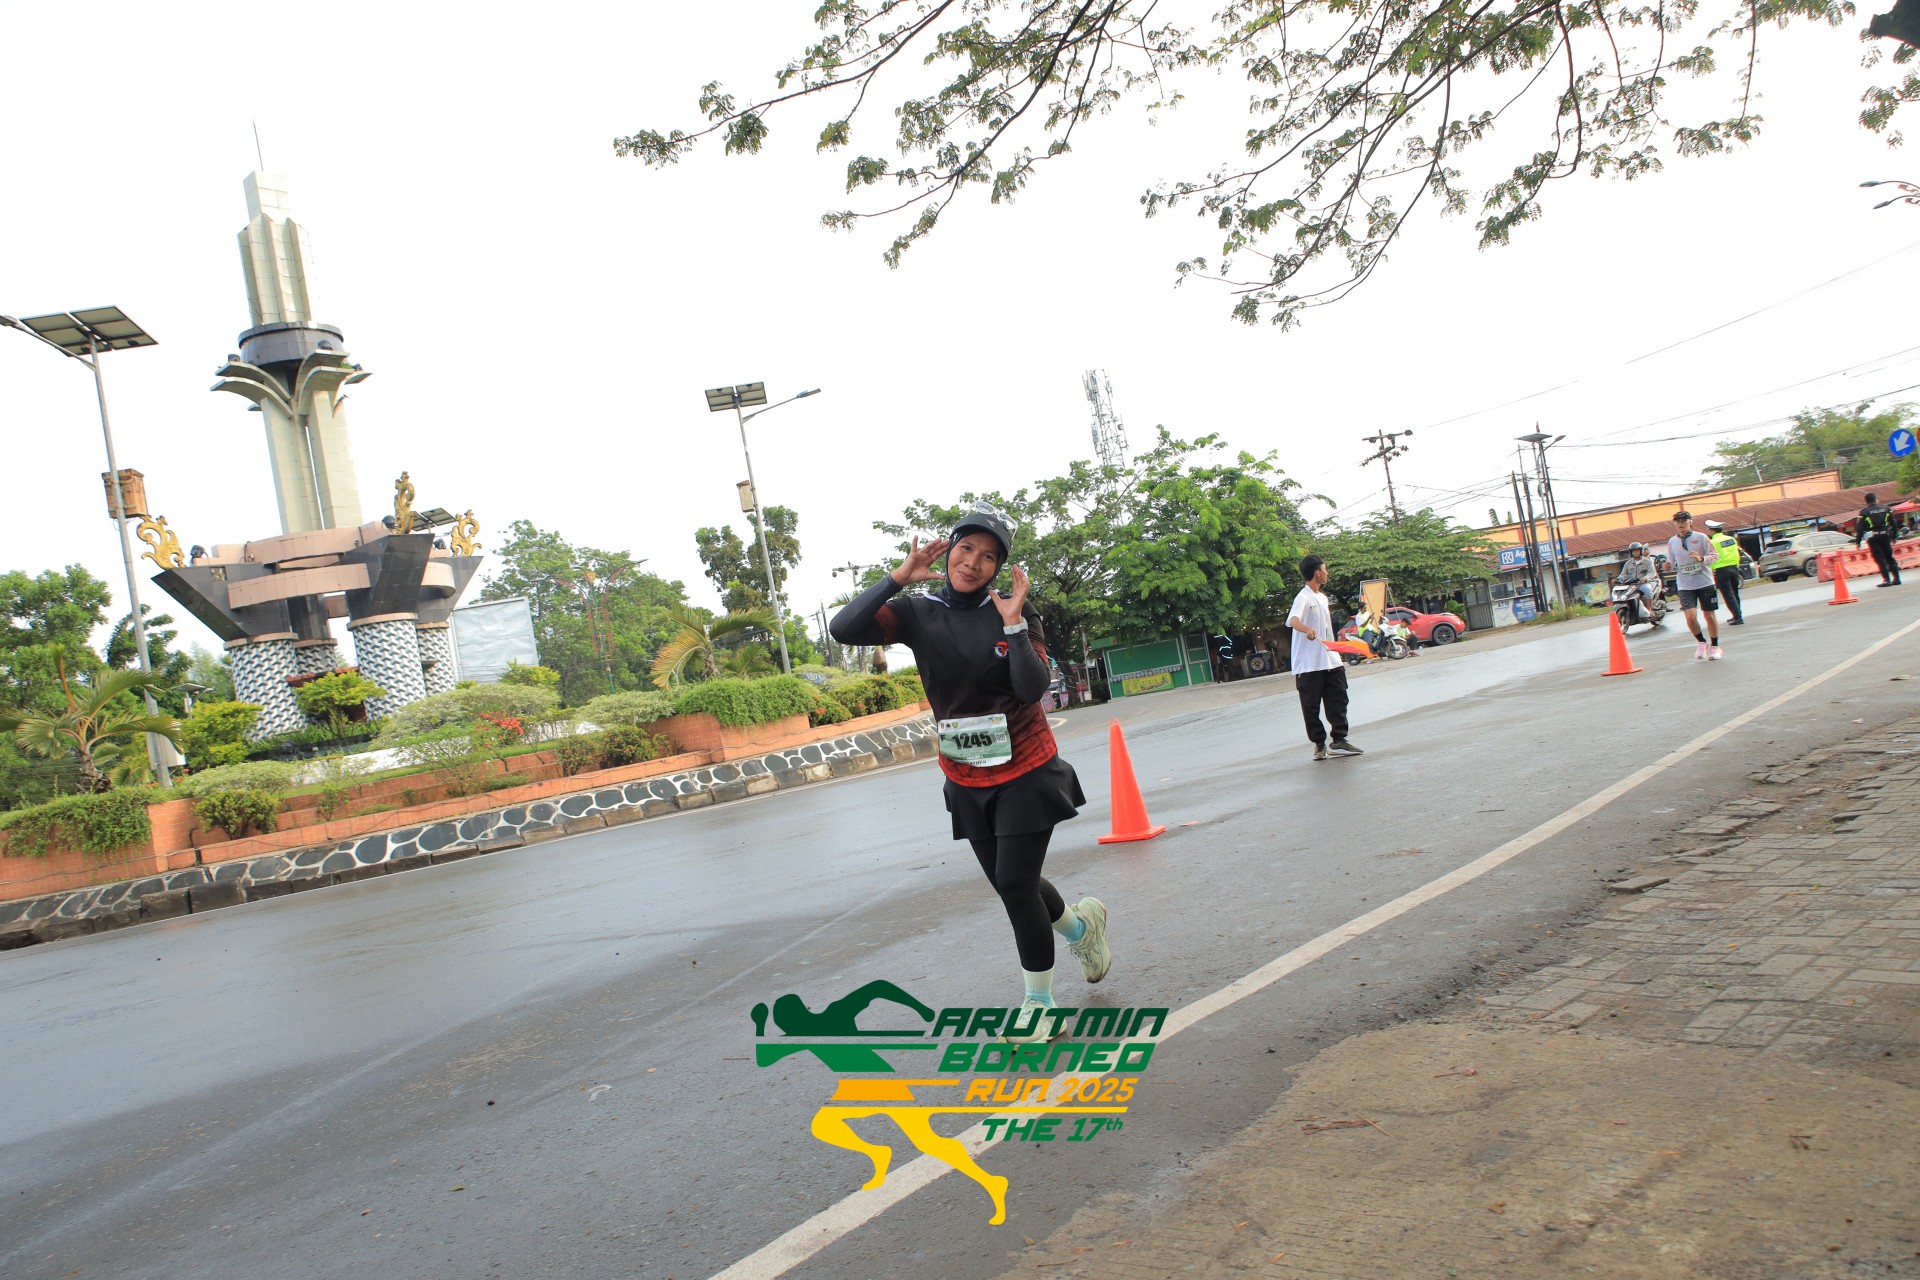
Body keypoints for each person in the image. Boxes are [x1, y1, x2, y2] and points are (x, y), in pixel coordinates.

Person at [829, 504, 1108, 1046]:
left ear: (999, 567)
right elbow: (844, 629)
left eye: (988, 556)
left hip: (1026, 766)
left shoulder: (1011, 610)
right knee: (1013, 883)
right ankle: (1081, 927)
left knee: (1015, 883)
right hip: (965, 774)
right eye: (965, 548)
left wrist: (1015, 625)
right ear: (949, 551)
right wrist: (897, 578)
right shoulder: (918, 611)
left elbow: (1031, 687)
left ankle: (1040, 1006)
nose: (973, 562)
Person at [1286, 555, 1362, 761]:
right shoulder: (1303, 597)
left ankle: (1339, 740)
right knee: (1311, 706)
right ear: (1317, 573)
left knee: (1339, 698)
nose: (1327, 573)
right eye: (1325, 570)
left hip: (1330, 659)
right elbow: (1293, 620)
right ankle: (1319, 745)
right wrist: (1307, 629)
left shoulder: (1322, 597)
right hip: (1308, 664)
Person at [1667, 511, 1722, 660]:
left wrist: (1701, 559)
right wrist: (1667, 565)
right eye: (1678, 522)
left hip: (1705, 582)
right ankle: (1701, 642)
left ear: (1690, 522)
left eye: (1684, 521)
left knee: (1709, 615)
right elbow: (1671, 561)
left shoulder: (1701, 537)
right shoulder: (1672, 541)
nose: (1681, 524)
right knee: (1690, 617)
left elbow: (1715, 556)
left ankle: (1715, 646)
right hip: (1685, 585)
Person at [1854, 492, 1904, 588]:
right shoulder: (1886, 508)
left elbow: (1860, 528)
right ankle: (1897, 579)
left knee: (1879, 558)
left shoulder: (1864, 512)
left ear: (1866, 501)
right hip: (1886, 535)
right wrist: (1894, 536)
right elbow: (1893, 523)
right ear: (1876, 499)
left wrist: (1858, 541)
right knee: (1889, 556)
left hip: (1873, 537)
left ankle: (1886, 580)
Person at [1705, 519, 1745, 624]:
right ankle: (1737, 614)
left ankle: (1738, 618)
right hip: (1734, 568)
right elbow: (1736, 553)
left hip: (1721, 570)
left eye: (1709, 530)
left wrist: (1712, 569)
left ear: (1712, 530)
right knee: (1735, 593)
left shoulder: (1712, 542)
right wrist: (1736, 565)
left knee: (1728, 595)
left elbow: (1712, 558)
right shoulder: (1731, 539)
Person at [1614, 542, 1662, 624]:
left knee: (1647, 590)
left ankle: (1649, 609)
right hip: (1631, 585)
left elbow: (1652, 573)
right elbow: (1622, 574)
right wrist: (1617, 579)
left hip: (1643, 584)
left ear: (1641, 551)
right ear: (1631, 552)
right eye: (1634, 551)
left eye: (1637, 550)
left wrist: (1645, 578)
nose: (1636, 552)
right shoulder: (1628, 563)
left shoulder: (1647, 561)